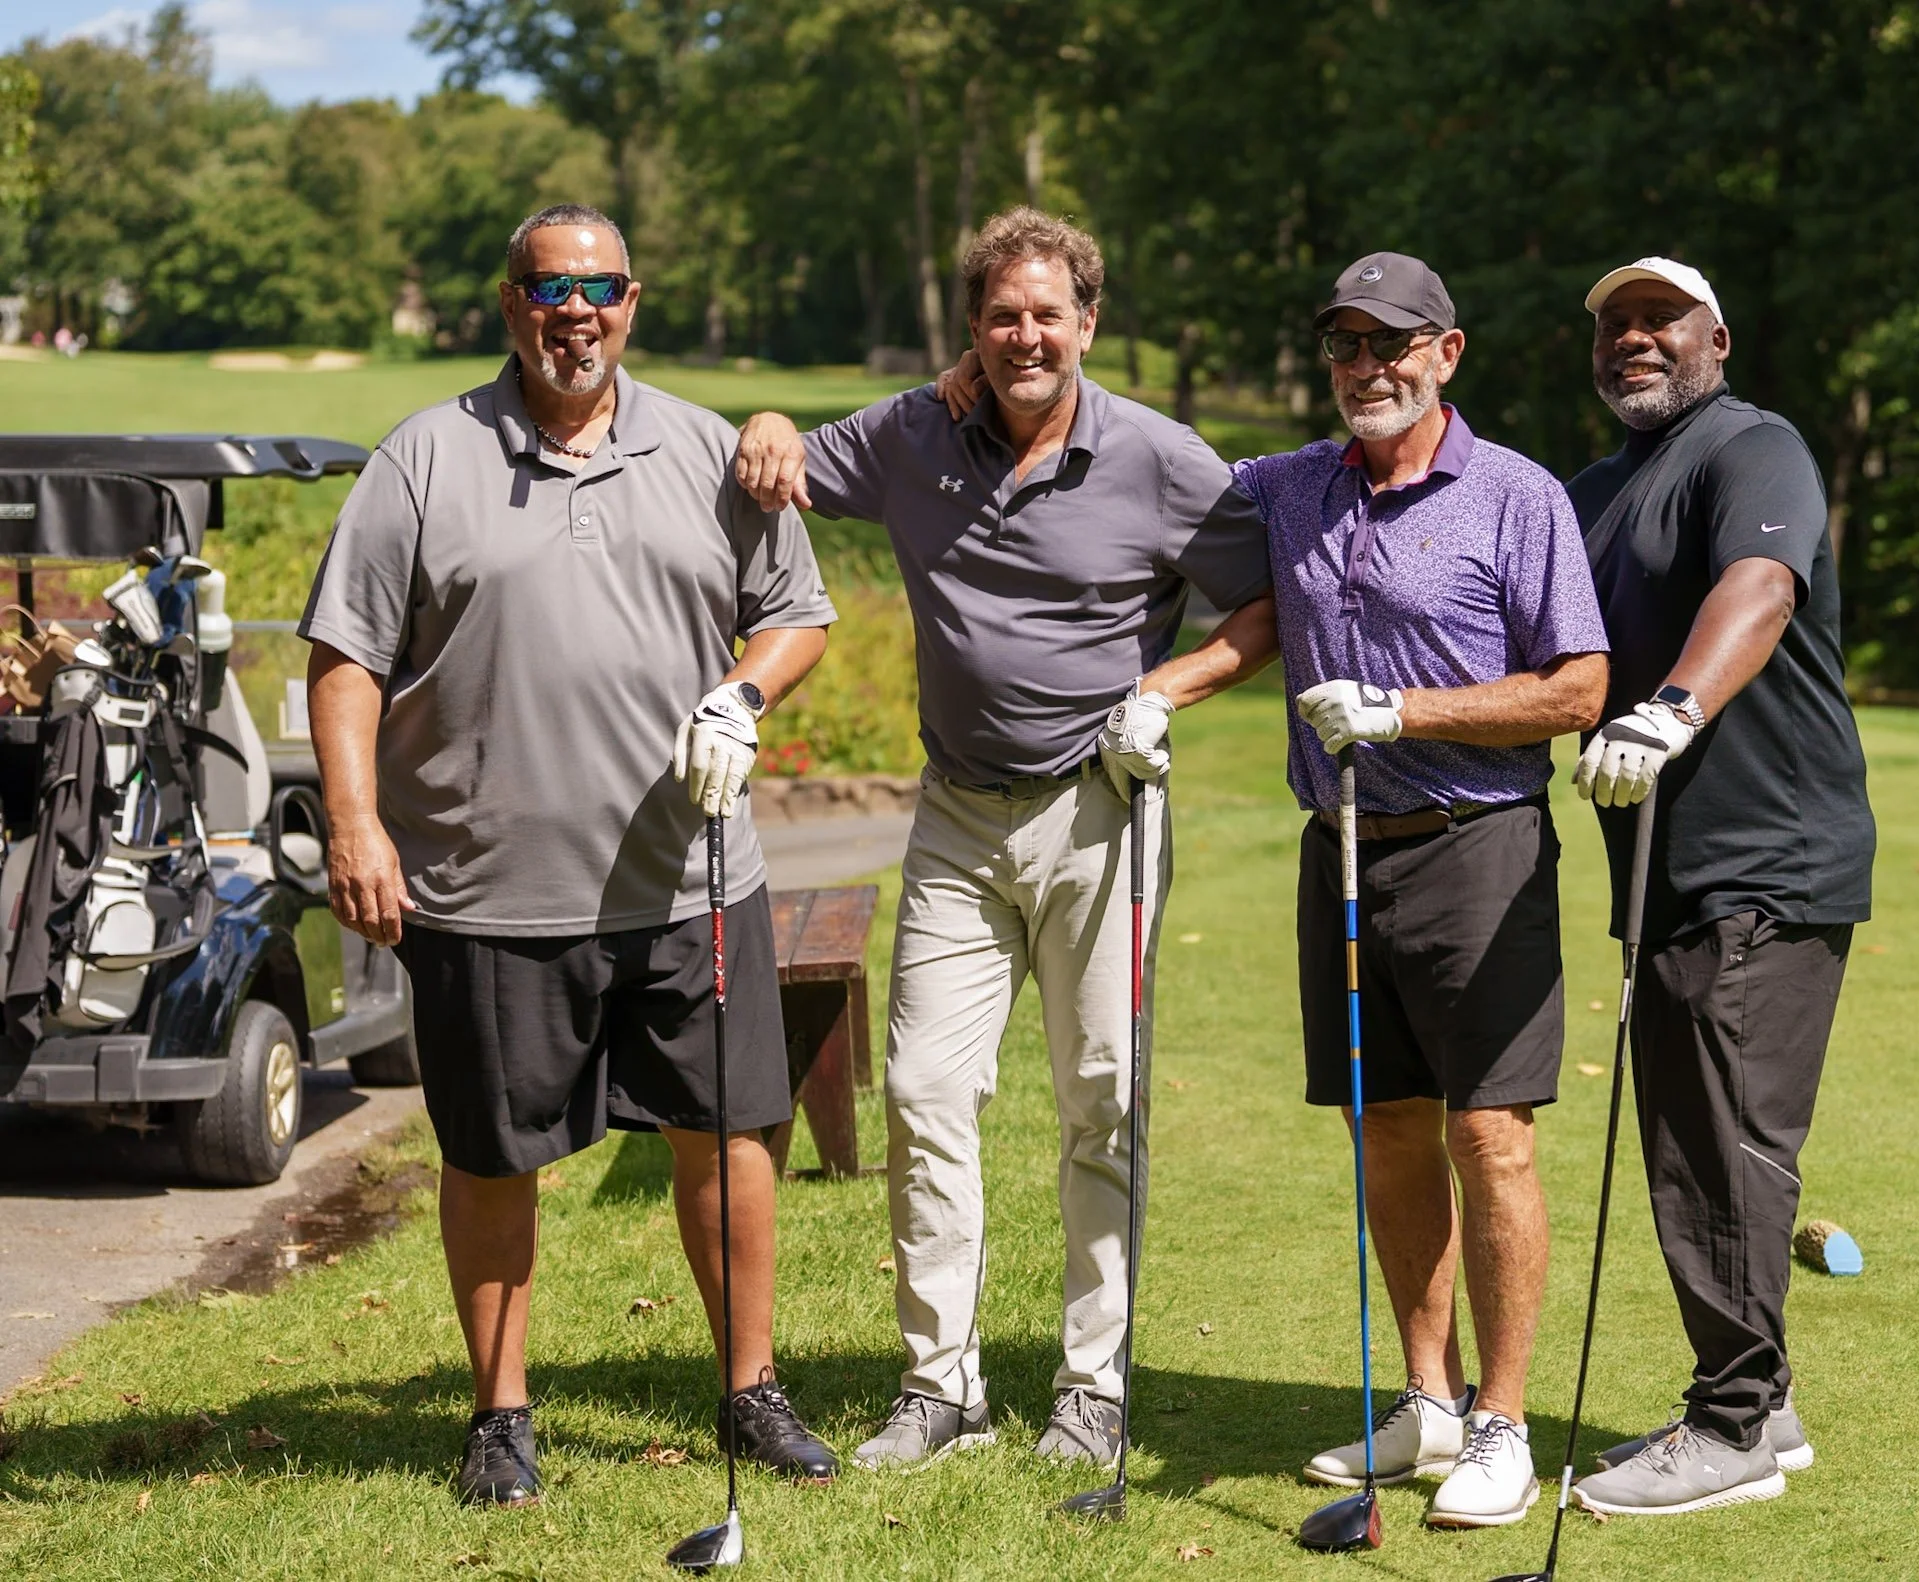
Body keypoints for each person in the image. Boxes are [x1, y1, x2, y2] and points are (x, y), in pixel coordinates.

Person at [301, 203, 841, 1506]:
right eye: (551, 289)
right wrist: (356, 820)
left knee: (729, 1133)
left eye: (599, 286)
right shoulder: (425, 459)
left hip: (691, 876)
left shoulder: (712, 452)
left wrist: (743, 697)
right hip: (485, 890)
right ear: (511, 306)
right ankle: (501, 1411)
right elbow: (346, 655)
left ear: (633, 300)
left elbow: (796, 612)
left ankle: (752, 1388)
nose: (575, 311)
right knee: (490, 1153)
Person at [732, 207, 1278, 1473]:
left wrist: (1167, 691)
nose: (1026, 334)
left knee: (1103, 1102)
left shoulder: (1157, 455)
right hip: (957, 819)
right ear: (970, 333)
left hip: (1103, 816)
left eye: (1048, 313)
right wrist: (761, 425)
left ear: (1087, 321)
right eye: (1001, 315)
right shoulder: (916, 435)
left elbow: (1262, 606)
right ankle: (941, 1386)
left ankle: (1092, 1388)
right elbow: (782, 463)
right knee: (925, 1093)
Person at [1233, 253, 1610, 1528]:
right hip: (1339, 847)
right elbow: (1133, 467)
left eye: (1390, 344)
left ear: (1446, 353)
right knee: (1385, 1128)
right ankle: (1427, 1399)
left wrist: (1402, 710)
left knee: (1487, 1133)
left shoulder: (1515, 495)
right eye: (1344, 347)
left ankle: (1501, 1420)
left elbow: (1575, 689)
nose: (1366, 368)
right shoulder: (1289, 487)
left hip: (1478, 843)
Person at [1563, 257, 1875, 1517]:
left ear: (1716, 338)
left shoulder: (1754, 448)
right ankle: (1763, 1398)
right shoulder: (1591, 492)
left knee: (1726, 1145)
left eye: (1660, 320)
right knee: (1690, 1133)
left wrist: (1673, 707)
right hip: (1661, 868)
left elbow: (1757, 587)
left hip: (1767, 851)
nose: (1635, 339)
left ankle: (1731, 1424)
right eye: (1615, 325)